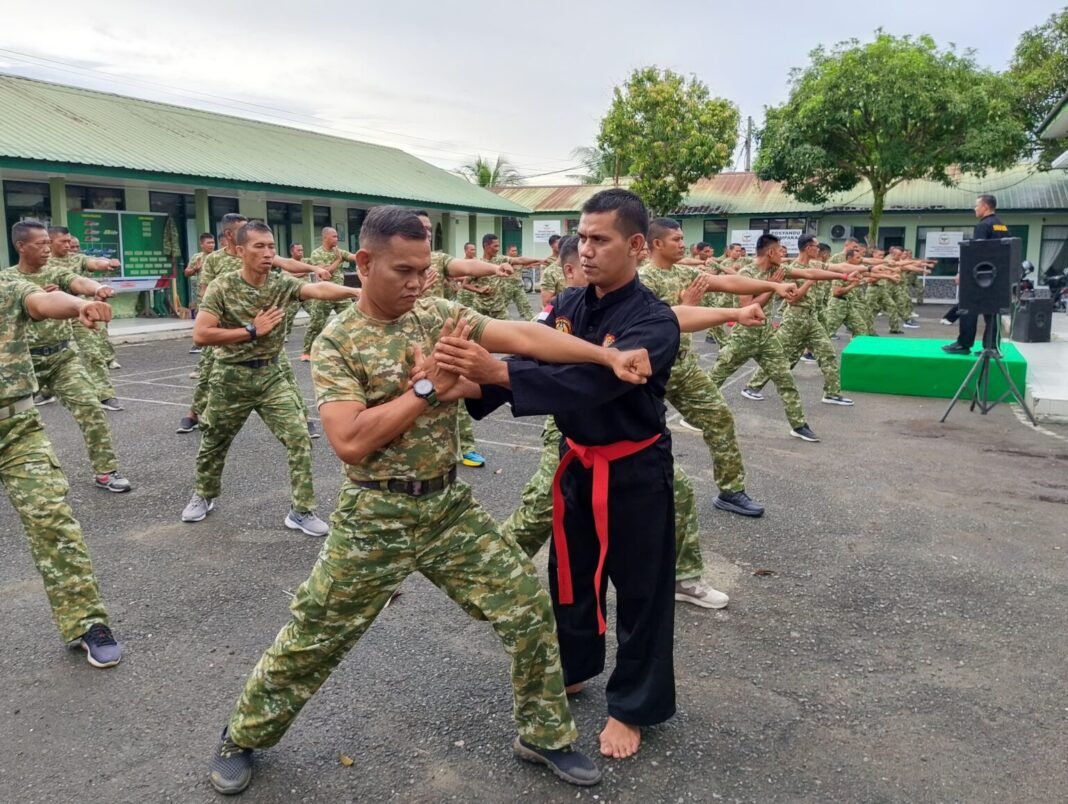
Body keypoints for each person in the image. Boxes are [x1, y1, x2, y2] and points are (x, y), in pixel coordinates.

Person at [207, 206, 654, 795]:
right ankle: (243, 735)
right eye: (403, 271)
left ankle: (544, 735)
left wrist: (604, 354)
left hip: (446, 508)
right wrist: (426, 389)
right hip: (376, 516)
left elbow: (524, 335)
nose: (418, 283)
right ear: (364, 264)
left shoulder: (436, 313)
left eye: (424, 269)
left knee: (526, 608)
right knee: (315, 633)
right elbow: (349, 441)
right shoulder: (341, 339)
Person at [446, 189, 682, 760]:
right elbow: (536, 359)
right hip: (577, 464)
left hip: (634, 471)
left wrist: (498, 371)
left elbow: (593, 384)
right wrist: (475, 383)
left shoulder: (655, 321)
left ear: (635, 245)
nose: (586, 248)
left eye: (600, 239)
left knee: (643, 589)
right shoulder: (572, 304)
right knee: (572, 577)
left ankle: (633, 705)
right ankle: (576, 664)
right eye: (582, 237)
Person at [497, 235, 764, 607]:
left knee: (679, 490)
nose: (593, 263)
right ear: (570, 270)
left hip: (623, 435)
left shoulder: (626, 305)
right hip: (573, 435)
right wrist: (492, 374)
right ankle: (493, 573)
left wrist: (733, 314)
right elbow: (523, 346)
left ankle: (682, 578)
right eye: (585, 257)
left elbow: (670, 315)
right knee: (539, 511)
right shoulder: (561, 311)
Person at [179, 222, 359, 535]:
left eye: (271, 247)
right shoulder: (223, 286)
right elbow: (201, 333)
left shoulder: (280, 284)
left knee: (299, 437)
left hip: (271, 375)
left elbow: (316, 289)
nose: (267, 253)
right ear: (239, 251)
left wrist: (356, 291)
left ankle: (301, 511)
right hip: (230, 377)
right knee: (214, 441)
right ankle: (204, 495)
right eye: (258, 247)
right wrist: (250, 330)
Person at [0, 255, 124, 667]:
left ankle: (87, 622)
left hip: (16, 428)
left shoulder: (8, 287)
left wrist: (79, 305)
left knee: (52, 520)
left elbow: (41, 302)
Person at [640, 217, 805, 516]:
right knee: (639, 438)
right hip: (650, 373)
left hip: (684, 368)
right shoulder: (643, 280)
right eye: (676, 239)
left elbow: (730, 282)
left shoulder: (681, 273)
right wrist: (690, 305)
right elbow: (659, 323)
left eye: (682, 238)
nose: (682, 243)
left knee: (720, 418)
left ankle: (731, 490)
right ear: (657, 244)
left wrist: (772, 285)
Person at [2, 221, 132, 492]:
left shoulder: (55, 272)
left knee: (90, 407)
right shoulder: (8, 280)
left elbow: (77, 281)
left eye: (49, 243)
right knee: (12, 422)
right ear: (20, 246)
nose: (47, 250)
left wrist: (94, 291)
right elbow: (41, 303)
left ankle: (105, 471)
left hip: (62, 357)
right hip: (23, 365)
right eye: (41, 244)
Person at [177, 215, 329, 434]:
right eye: (242, 229)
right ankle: (193, 414)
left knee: (284, 372)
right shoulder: (215, 260)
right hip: (228, 329)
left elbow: (286, 263)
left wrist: (314, 269)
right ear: (231, 235)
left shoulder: (258, 252)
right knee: (209, 372)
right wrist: (212, 320)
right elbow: (205, 290)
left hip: (264, 329)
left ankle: (303, 418)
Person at [709, 233, 829, 442]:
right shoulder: (747, 273)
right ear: (771, 252)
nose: (783, 254)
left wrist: (845, 276)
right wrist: (772, 287)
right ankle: (693, 415)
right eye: (781, 250)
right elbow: (748, 308)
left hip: (766, 336)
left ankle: (798, 424)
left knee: (785, 378)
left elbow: (809, 271)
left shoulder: (778, 270)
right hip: (744, 336)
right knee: (717, 376)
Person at [745, 234, 855, 406]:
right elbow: (792, 299)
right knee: (780, 356)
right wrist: (809, 283)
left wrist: (846, 276)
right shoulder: (789, 269)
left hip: (811, 318)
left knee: (827, 353)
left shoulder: (814, 264)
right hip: (794, 318)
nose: (818, 250)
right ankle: (752, 387)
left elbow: (832, 268)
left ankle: (832, 392)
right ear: (807, 247)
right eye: (816, 246)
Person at [45, 226, 123, 410]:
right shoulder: (42, 263)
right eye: (63, 242)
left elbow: (94, 263)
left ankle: (105, 394)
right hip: (51, 316)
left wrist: (107, 263)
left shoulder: (77, 259)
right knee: (46, 355)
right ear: (50, 241)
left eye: (69, 240)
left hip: (79, 312)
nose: (68, 244)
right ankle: (45, 391)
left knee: (93, 353)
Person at [943, 194, 1007, 354]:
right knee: (993, 311)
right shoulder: (1001, 226)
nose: (975, 209)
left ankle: (964, 344)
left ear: (985, 207)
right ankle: (992, 347)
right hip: (997, 276)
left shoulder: (983, 226)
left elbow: (976, 253)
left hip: (980, 276)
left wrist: (962, 274)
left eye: (977, 206)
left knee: (968, 308)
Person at [300, 227, 359, 360]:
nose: (336, 239)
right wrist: (338, 261)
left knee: (352, 318)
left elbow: (352, 257)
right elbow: (325, 273)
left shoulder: (338, 251)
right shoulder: (317, 253)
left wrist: (365, 256)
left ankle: (354, 349)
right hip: (324, 294)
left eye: (337, 236)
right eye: (334, 236)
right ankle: (307, 352)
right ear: (325, 237)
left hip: (340, 295)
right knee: (316, 324)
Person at [184, 232, 216, 353]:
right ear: (202, 244)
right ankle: (198, 343)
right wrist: (195, 269)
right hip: (202, 293)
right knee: (201, 318)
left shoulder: (218, 256)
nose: (211, 245)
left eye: (213, 242)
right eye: (208, 243)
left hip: (217, 292)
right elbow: (186, 273)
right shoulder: (197, 257)